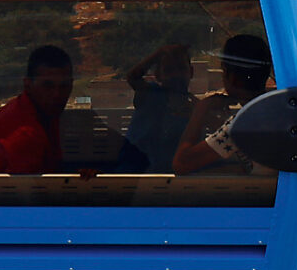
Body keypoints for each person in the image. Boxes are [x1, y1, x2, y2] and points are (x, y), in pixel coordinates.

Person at [173, 33, 272, 174]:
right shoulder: (272, 110)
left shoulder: (243, 122)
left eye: (223, 71)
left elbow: (181, 163)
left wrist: (200, 111)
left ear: (232, 77)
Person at [0, 46, 75, 174]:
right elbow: (30, 189)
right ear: (27, 85)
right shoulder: (23, 131)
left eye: (64, 86)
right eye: (47, 86)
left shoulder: (44, 113)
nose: (57, 94)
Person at [116, 42, 193, 173]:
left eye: (181, 68)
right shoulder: (150, 94)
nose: (176, 75)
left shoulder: (195, 108)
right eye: (168, 70)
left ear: (191, 72)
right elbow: (133, 77)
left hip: (172, 177)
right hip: (134, 172)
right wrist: (159, 53)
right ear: (158, 75)